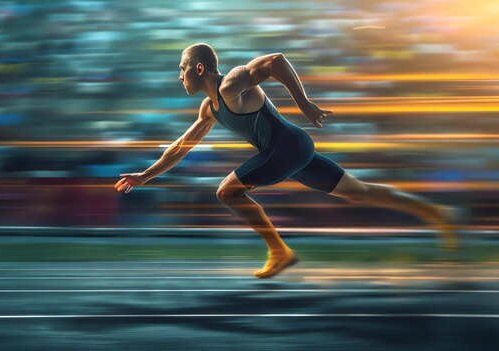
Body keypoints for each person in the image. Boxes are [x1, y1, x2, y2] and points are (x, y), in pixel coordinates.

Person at [114, 43, 461, 278]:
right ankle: (437, 213)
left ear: (199, 68)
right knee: (360, 192)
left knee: (226, 193)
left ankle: (279, 252)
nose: (179, 76)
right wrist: (145, 175)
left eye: (181, 69)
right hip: (293, 152)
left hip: (287, 148)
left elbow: (275, 61)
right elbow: (180, 146)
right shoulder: (209, 109)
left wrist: (305, 103)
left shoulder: (229, 84)